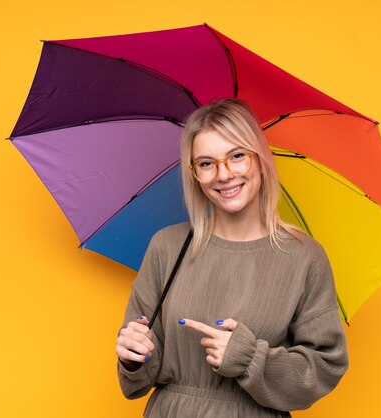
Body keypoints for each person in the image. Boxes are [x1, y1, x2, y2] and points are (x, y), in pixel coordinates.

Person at [115, 99, 348, 417]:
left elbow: (324, 367)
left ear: (260, 158)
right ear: (194, 173)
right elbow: (139, 378)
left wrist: (248, 356)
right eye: (206, 163)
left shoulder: (304, 257)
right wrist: (133, 355)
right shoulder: (167, 246)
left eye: (236, 156)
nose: (223, 174)